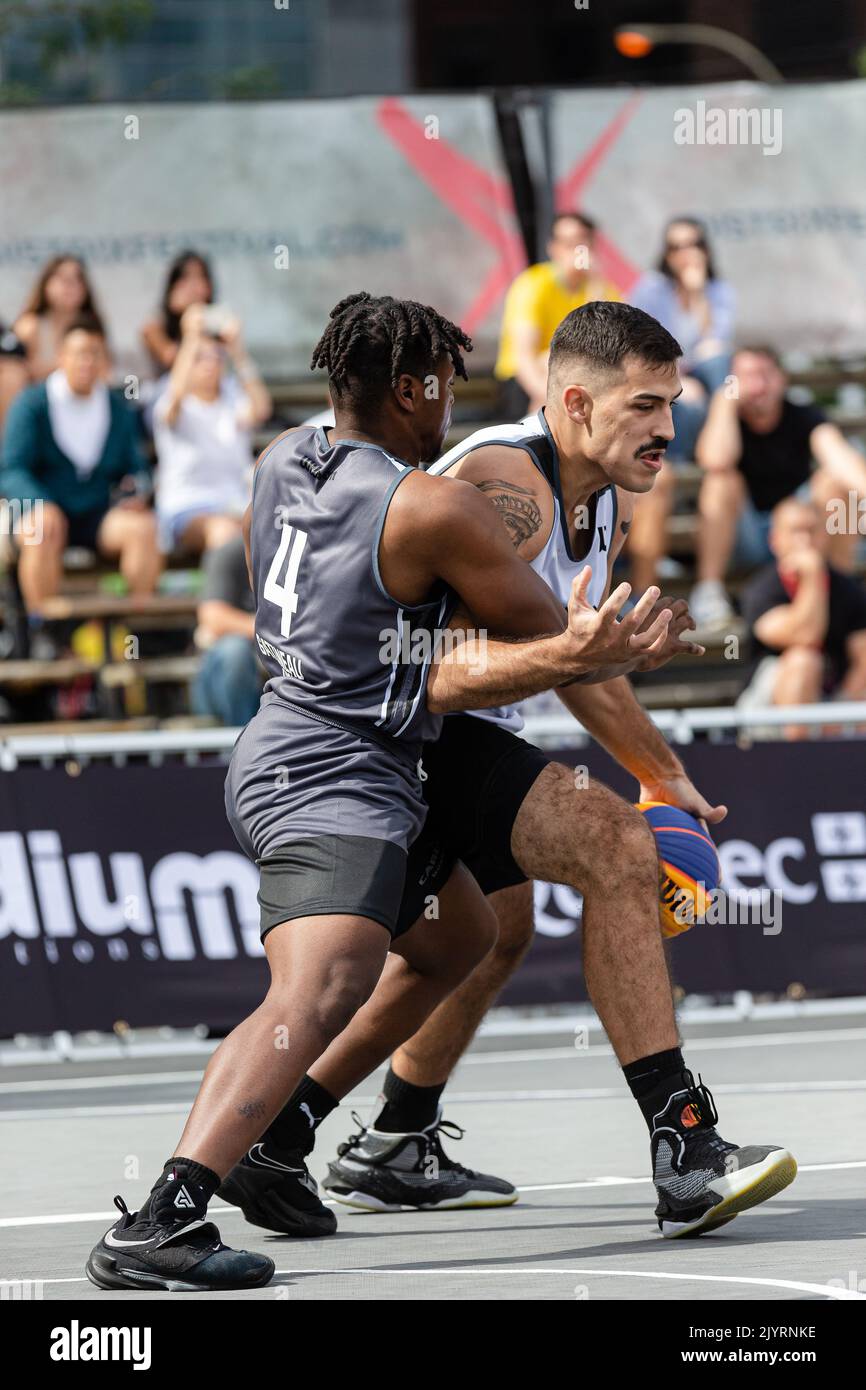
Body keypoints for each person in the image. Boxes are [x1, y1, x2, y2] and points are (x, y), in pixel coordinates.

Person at [85, 292, 673, 1292]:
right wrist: (596, 647)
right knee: (320, 985)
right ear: (407, 389)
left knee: (460, 936)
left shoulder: (280, 458)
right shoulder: (433, 505)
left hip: (293, 740)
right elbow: (548, 641)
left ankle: (286, 1138)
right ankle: (163, 1213)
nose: (453, 402)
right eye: (443, 383)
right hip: (333, 771)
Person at [218, 302, 796, 1242]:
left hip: (418, 736)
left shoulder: (595, 494)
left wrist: (665, 772)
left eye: (675, 404)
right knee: (612, 848)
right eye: (647, 405)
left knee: (492, 934)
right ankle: (685, 1149)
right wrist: (593, 693)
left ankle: (359, 1138)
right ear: (574, 401)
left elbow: (575, 660)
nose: (669, 427)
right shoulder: (508, 488)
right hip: (391, 737)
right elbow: (422, 667)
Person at [0, 317, 160, 659]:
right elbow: (11, 467)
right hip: (46, 514)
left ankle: (128, 635)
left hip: (97, 514)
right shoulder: (32, 404)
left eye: (94, 354)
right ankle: (44, 630)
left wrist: (137, 489)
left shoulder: (117, 407)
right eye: (78, 353)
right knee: (42, 528)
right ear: (61, 357)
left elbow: (137, 467)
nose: (86, 362)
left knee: (143, 529)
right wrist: (39, 502)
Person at [691, 345, 866, 629]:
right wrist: (725, 402)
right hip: (747, 536)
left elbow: (839, 458)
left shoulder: (803, 415)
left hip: (802, 529)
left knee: (835, 483)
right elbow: (715, 459)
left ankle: (838, 587)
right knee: (721, 479)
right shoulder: (726, 416)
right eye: (747, 376)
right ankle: (709, 590)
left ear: (781, 379)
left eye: (765, 375)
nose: (758, 385)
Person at [628, 217, 735, 593]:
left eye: (693, 244)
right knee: (692, 392)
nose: (686, 253)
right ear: (666, 253)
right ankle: (693, 449)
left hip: (701, 380)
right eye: (676, 246)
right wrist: (679, 377)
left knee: (722, 366)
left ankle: (705, 445)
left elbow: (714, 341)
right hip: (663, 375)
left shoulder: (718, 291)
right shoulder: (651, 289)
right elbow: (644, 345)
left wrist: (697, 294)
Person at [738, 496, 866, 737]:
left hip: (830, 700)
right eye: (796, 531)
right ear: (775, 540)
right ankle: (799, 757)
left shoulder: (848, 588)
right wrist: (813, 577)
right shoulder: (761, 589)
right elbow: (806, 635)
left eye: (812, 531)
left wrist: (837, 722)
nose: (805, 541)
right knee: (804, 661)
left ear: (825, 536)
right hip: (767, 710)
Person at [152, 303, 271, 556]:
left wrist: (237, 350)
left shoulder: (232, 397)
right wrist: (191, 339)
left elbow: (262, 409)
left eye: (216, 357)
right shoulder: (173, 400)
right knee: (226, 532)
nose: (209, 365)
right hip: (186, 508)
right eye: (199, 359)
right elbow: (172, 404)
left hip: (236, 505)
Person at [494, 211, 621, 419]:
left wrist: (595, 288)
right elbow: (524, 357)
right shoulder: (534, 284)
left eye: (582, 242)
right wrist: (547, 398)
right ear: (553, 248)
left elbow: (609, 347)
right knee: (551, 360)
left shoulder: (602, 288)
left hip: (579, 379)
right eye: (568, 243)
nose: (576, 250)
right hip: (527, 381)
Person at [192, 533, 262, 727]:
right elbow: (213, 617)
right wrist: (272, 630)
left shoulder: (304, 550)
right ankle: (243, 742)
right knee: (234, 651)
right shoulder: (230, 552)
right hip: (220, 675)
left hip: (280, 661)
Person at [13, 255, 105, 381]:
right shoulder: (29, 327)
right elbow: (17, 373)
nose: (72, 286)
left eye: (78, 279)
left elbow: (105, 371)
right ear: (47, 285)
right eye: (64, 280)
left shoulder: (92, 325)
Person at [140, 250, 215, 374]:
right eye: (185, 278)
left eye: (199, 277)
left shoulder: (215, 322)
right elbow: (170, 358)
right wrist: (187, 317)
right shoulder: (154, 326)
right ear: (173, 286)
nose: (193, 287)